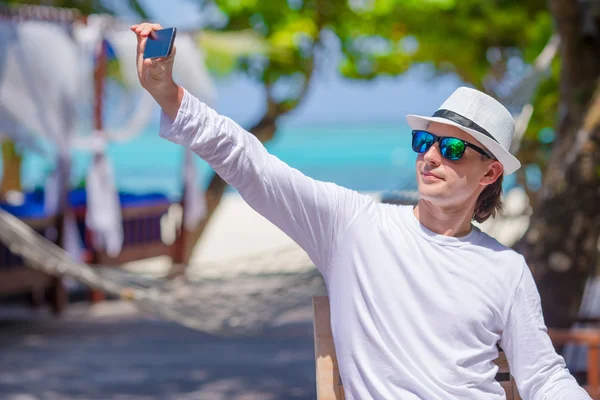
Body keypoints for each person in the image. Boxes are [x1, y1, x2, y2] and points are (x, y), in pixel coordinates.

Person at [131, 22, 591, 400]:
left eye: (451, 148)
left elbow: (543, 376)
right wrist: (167, 93)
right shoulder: (354, 227)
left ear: (490, 174)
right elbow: (252, 165)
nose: (430, 156)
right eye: (423, 141)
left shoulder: (506, 269)